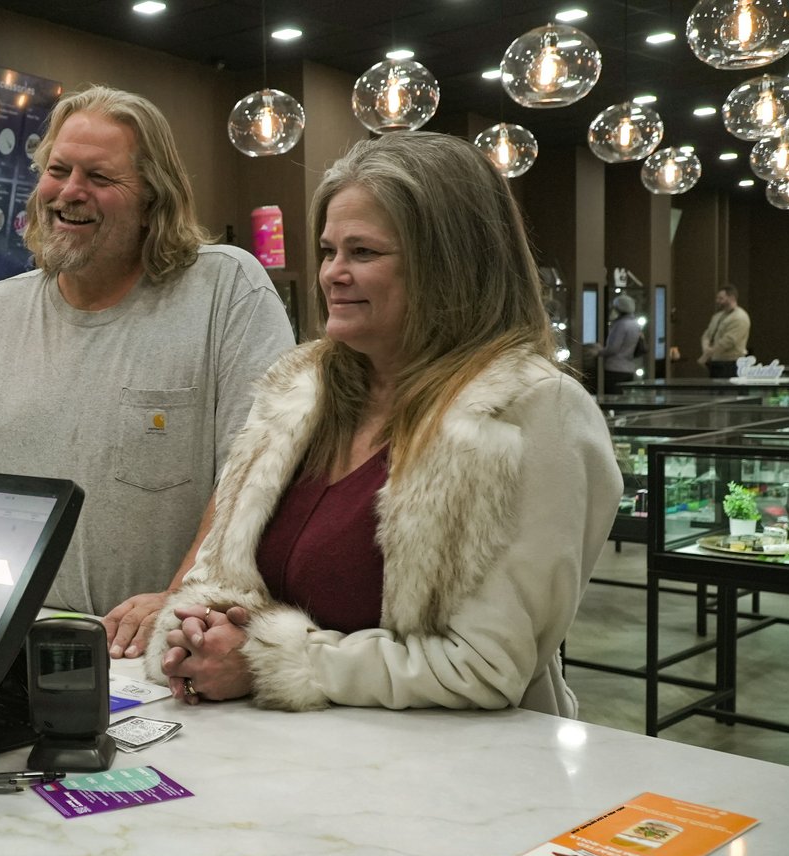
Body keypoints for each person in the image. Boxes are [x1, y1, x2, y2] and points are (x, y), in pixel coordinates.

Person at [141, 132, 620, 716]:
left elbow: (485, 666)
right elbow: (217, 574)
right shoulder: (300, 390)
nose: (333, 274)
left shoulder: (532, 411)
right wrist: (195, 634)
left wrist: (271, 660)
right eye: (329, 250)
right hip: (281, 765)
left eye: (363, 253)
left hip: (456, 780)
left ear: (448, 265)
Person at [0, 85, 295, 619]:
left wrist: (181, 600)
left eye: (100, 178)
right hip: (15, 641)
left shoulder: (225, 289)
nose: (70, 192)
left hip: (164, 648)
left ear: (154, 199)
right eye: (58, 171)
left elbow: (259, 476)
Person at [697, 284, 750, 378]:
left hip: (731, 364)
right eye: (717, 298)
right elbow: (707, 334)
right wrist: (705, 348)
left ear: (732, 298)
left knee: (728, 391)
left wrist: (707, 355)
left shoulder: (740, 317)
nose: (717, 301)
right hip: (715, 362)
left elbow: (728, 342)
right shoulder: (717, 316)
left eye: (721, 298)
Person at [600, 293, 643, 394]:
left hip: (615, 368)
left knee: (612, 398)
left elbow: (613, 348)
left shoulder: (621, 325)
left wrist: (598, 352)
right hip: (629, 368)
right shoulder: (635, 324)